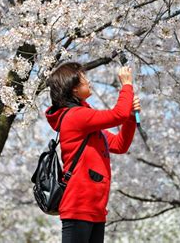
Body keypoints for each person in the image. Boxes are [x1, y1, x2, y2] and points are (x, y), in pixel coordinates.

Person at [45, 62, 141, 243]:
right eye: (83, 80)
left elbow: (120, 145)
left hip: (95, 207)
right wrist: (127, 85)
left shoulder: (87, 123)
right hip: (79, 205)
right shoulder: (75, 116)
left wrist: (129, 119)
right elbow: (117, 115)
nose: (88, 82)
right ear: (73, 89)